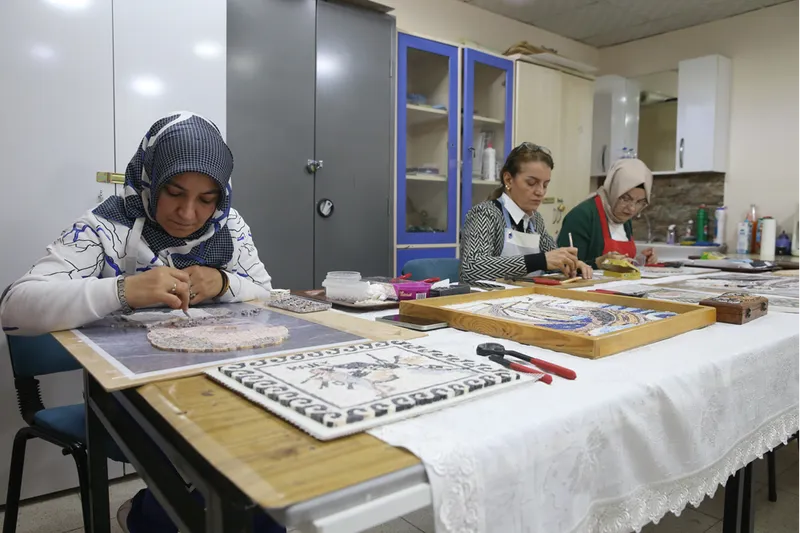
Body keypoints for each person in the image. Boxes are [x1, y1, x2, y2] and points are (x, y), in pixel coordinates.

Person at [0, 112, 282, 533]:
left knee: (264, 468)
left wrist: (224, 281)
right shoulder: (105, 225)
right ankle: (153, 515)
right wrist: (122, 290)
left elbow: (267, 294)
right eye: (174, 192)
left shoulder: (228, 226)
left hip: (211, 381)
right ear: (150, 178)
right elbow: (15, 308)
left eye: (207, 199)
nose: (189, 214)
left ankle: (155, 512)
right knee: (217, 471)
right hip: (128, 396)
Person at [460, 142, 592, 283]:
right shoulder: (485, 214)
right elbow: (472, 267)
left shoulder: (535, 220)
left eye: (545, 185)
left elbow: (551, 260)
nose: (540, 191)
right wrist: (539, 261)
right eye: (531, 183)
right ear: (508, 180)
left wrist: (569, 264)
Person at [558, 158, 657, 269]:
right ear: (614, 190)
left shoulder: (623, 218)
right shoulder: (582, 216)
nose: (632, 209)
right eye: (625, 198)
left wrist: (639, 260)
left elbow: (620, 264)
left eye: (639, 202)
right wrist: (599, 263)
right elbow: (565, 267)